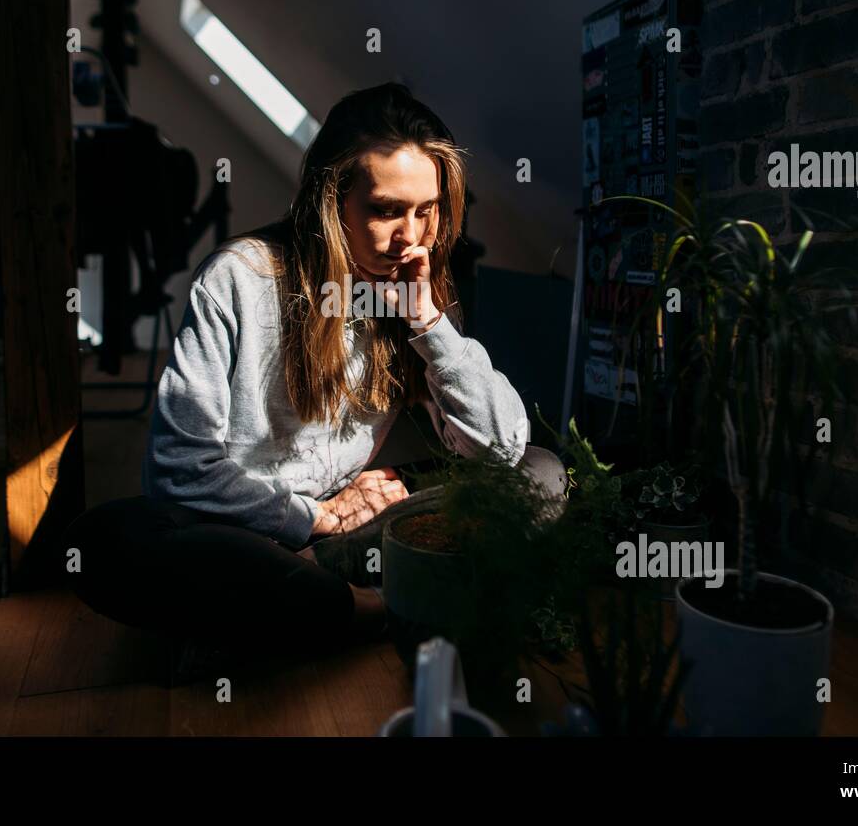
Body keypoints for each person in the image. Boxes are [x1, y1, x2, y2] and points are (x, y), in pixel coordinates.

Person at [64, 82, 565, 672]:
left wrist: (428, 322)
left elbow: (498, 449)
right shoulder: (237, 280)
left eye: (425, 211)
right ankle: (380, 607)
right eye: (385, 210)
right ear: (332, 201)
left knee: (541, 473)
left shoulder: (412, 280)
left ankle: (294, 608)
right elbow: (179, 468)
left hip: (349, 538)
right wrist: (312, 516)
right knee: (103, 544)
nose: (411, 237)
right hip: (244, 533)